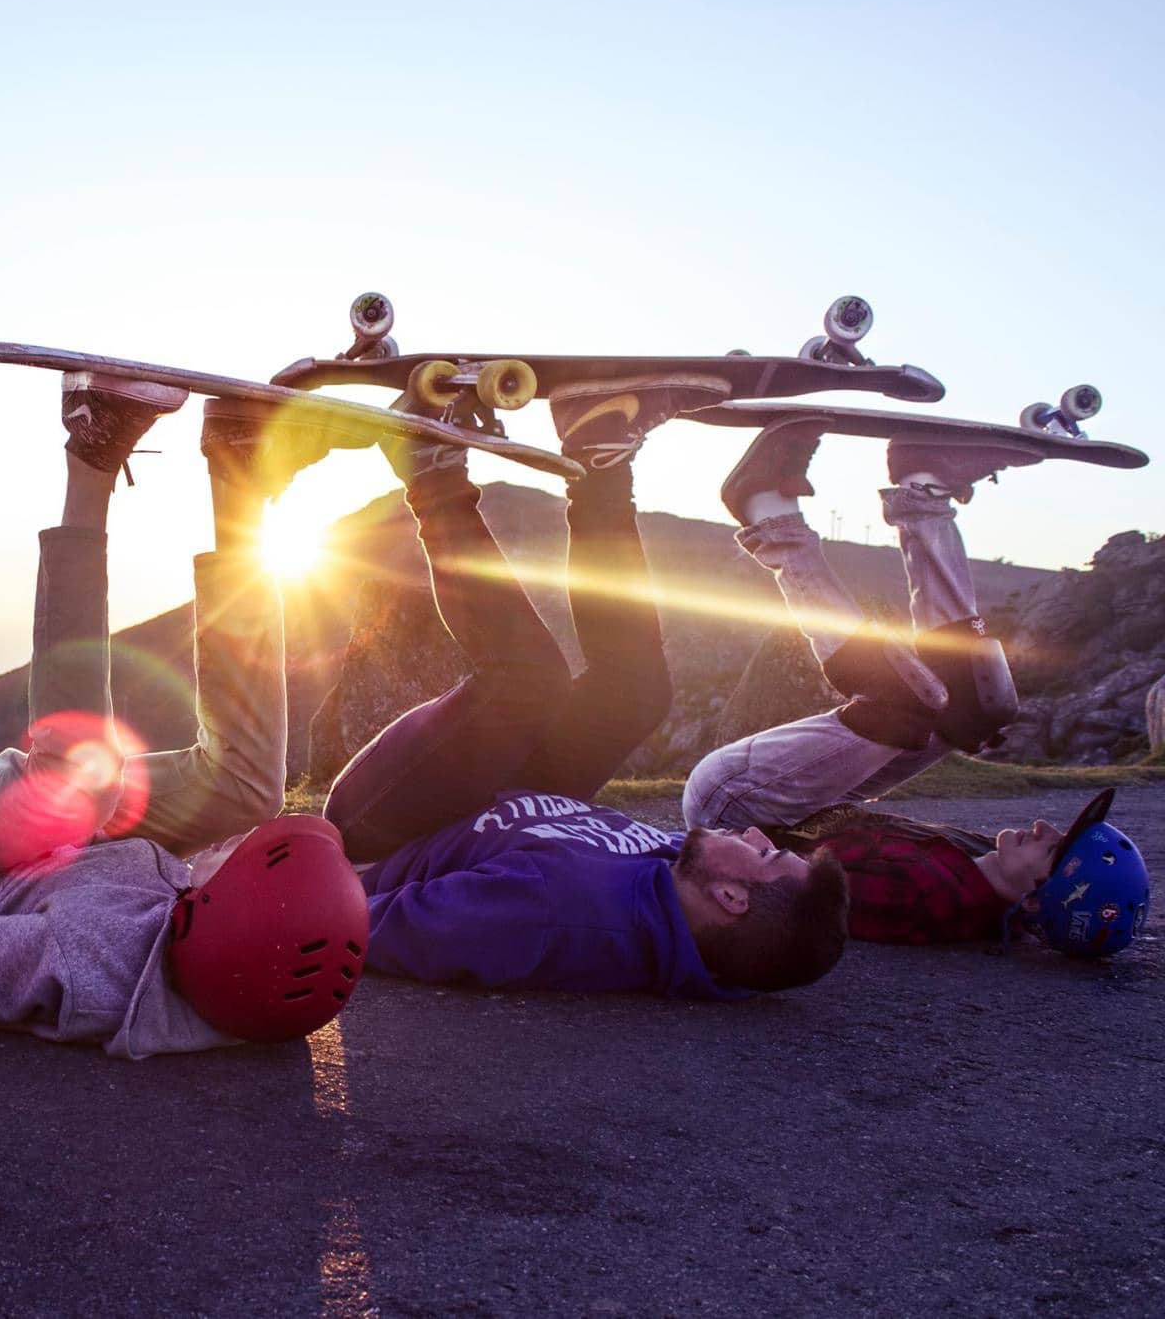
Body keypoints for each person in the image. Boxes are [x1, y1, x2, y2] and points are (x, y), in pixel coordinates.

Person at [0, 377, 368, 1056]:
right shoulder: (229, 961)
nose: (233, 846)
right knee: (250, 789)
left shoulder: (85, 962)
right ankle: (237, 470)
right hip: (89, 846)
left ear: (221, 913)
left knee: (79, 791)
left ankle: (90, 454)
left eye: (240, 863)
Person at [324, 377, 851, 998]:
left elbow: (356, 926)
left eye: (766, 856)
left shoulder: (549, 916)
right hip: (506, 801)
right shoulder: (682, 881)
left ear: (732, 898)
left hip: (386, 826)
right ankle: (599, 456)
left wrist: (272, 879)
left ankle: (428, 470)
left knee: (528, 682)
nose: (762, 838)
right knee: (638, 692)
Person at [683, 418, 1149, 956]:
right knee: (979, 706)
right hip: (795, 809)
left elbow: (786, 895)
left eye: (1054, 850)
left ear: (1036, 897)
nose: (1045, 826)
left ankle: (765, 509)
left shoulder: (927, 901)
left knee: (907, 702)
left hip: (737, 814)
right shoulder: (979, 878)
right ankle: (923, 489)